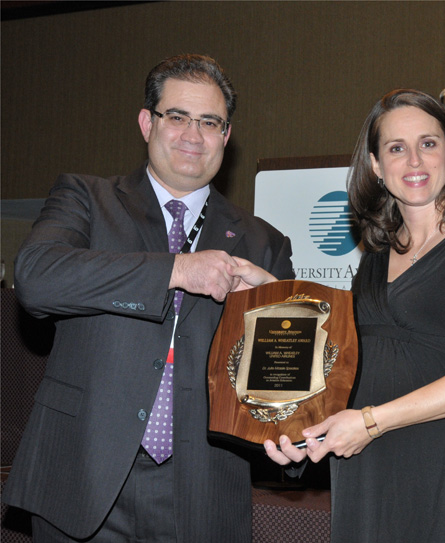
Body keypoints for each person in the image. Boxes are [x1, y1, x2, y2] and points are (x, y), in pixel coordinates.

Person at [3, 53, 290, 542]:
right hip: (82, 475)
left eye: (209, 122)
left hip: (203, 487)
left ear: (226, 135)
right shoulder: (87, 199)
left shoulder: (265, 243)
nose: (192, 135)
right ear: (146, 122)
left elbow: (279, 385)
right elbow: (36, 277)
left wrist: (278, 313)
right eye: (176, 116)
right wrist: (178, 269)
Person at [265, 89, 445, 542]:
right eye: (396, 148)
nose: (414, 161)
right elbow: (349, 369)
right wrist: (305, 436)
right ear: (374, 165)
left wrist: (372, 422)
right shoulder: (371, 260)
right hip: (370, 470)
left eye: (428, 143)